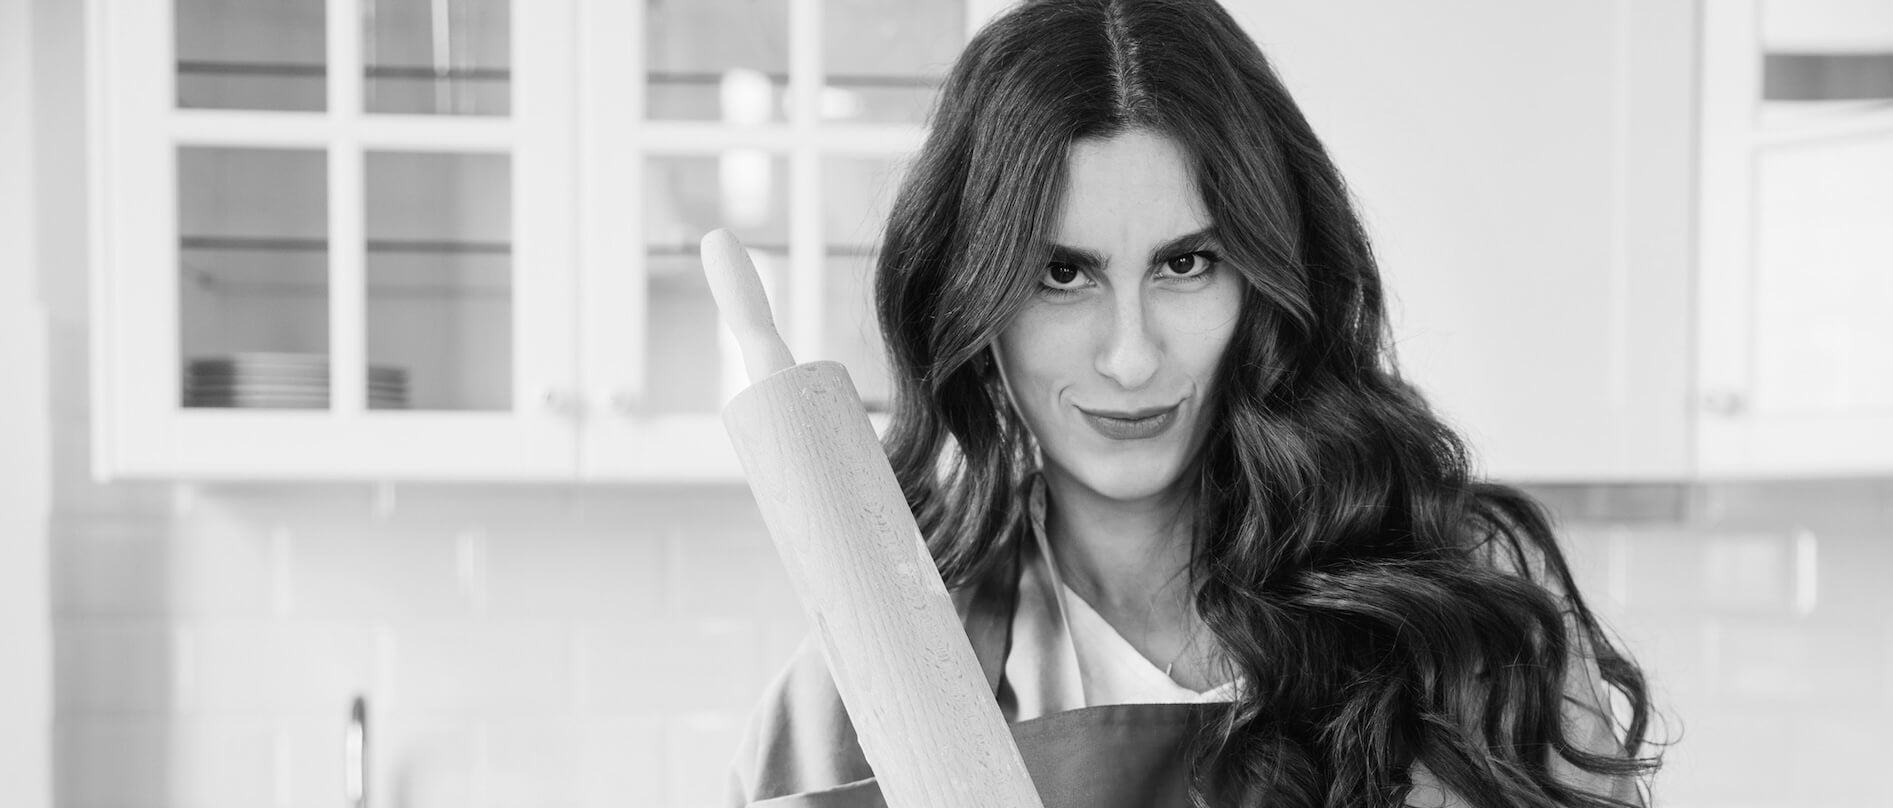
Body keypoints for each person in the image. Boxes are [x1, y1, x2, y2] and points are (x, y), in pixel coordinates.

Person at [726, 0, 1661, 805]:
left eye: (1185, 263)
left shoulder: (1473, 637)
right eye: (1061, 274)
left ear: (1265, 278)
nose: (1131, 358)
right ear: (970, 300)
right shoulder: (847, 710)